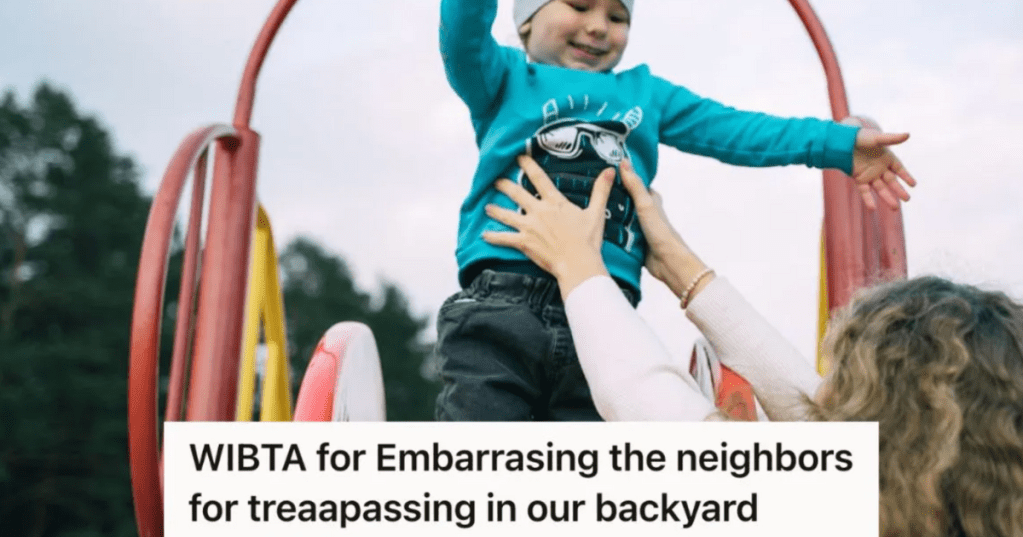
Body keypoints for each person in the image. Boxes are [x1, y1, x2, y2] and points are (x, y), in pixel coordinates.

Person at [484, 154, 1023, 537]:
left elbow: (645, 400)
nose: (826, 381)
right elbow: (810, 416)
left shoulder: (830, 512)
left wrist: (577, 265)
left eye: (848, 372)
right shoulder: (959, 507)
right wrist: (680, 266)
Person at [435, 0, 917, 421]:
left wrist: (838, 145)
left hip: (603, 311)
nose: (600, 26)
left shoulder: (645, 94)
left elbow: (735, 129)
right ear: (525, 24)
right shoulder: (502, 79)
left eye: (617, 15)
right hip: (503, 300)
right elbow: (462, 33)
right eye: (579, 6)